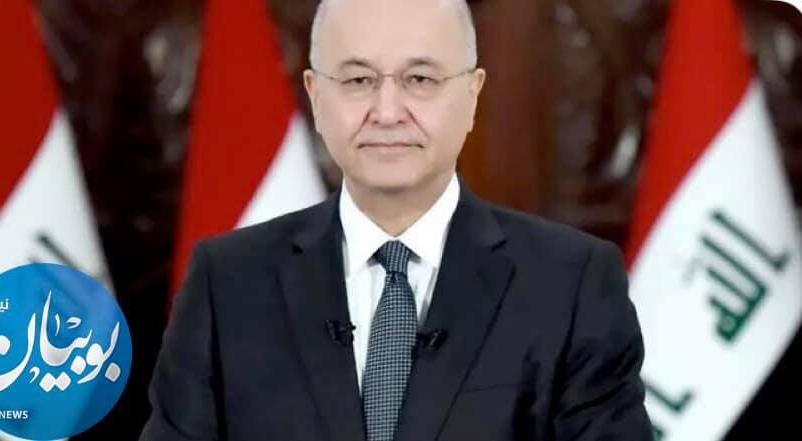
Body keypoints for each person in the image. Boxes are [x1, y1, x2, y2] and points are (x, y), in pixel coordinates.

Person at [138, 0, 654, 439]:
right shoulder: (226, 282)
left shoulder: (572, 284)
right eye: (358, 80)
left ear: (472, 95)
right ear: (316, 95)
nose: (387, 112)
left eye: (420, 79)